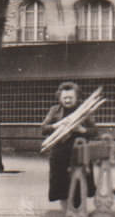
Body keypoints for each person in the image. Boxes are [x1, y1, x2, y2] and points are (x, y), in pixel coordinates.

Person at [40, 81, 97, 210]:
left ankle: (81, 215)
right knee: (62, 187)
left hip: (79, 153)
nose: (67, 100)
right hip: (60, 155)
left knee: (80, 185)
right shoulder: (54, 110)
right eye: (64, 97)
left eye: (70, 97)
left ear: (76, 97)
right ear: (59, 97)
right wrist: (57, 125)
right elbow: (43, 128)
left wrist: (82, 130)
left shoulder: (84, 110)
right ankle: (65, 215)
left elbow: (94, 131)